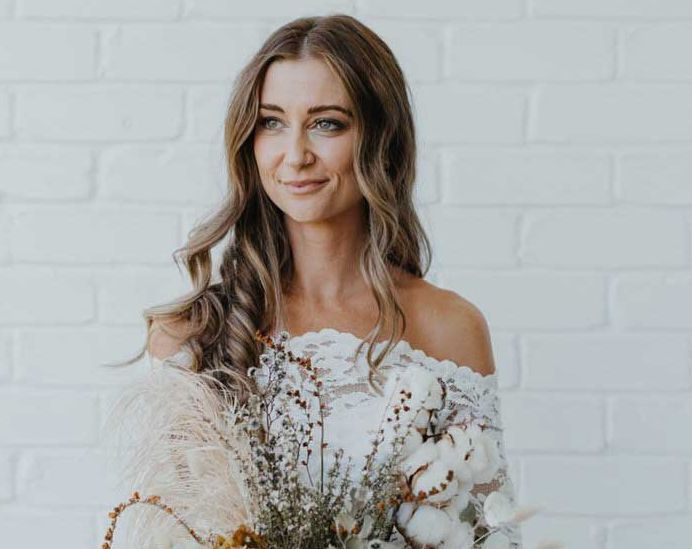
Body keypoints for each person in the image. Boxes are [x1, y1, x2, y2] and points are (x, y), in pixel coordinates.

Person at [111, 14, 523, 548]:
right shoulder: (188, 333)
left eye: (327, 123)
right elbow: (162, 533)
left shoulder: (449, 328)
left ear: (380, 138)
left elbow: (488, 534)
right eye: (272, 122)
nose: (296, 154)